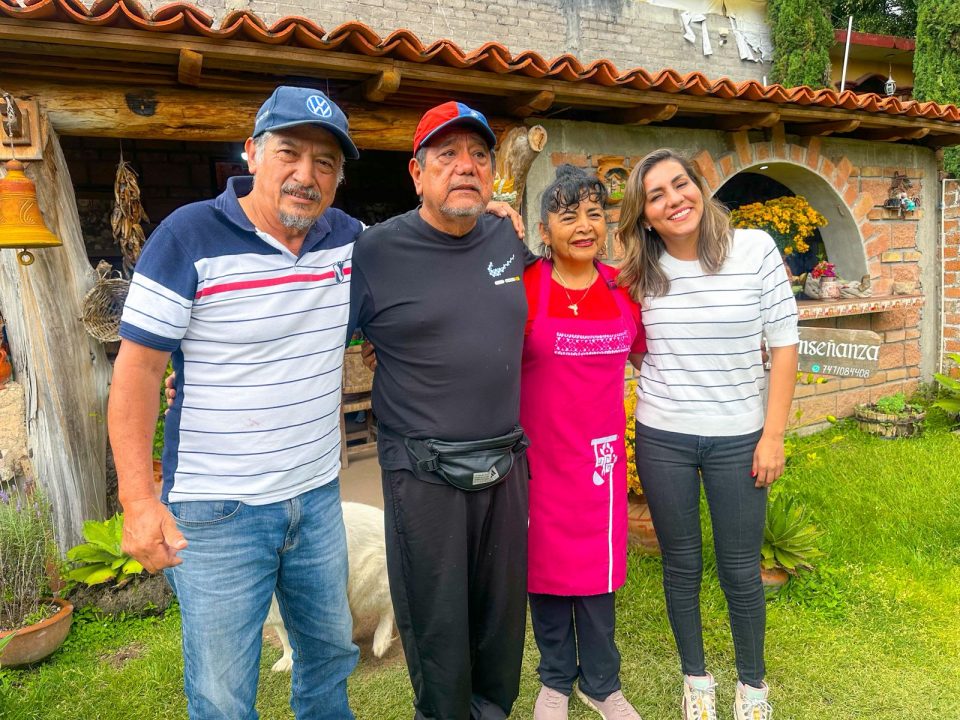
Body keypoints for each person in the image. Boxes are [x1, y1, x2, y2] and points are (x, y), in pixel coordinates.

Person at [109, 85, 364, 720]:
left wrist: (489, 214)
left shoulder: (350, 240)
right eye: (290, 153)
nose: (307, 175)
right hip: (216, 512)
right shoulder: (187, 236)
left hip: (316, 499)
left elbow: (426, 247)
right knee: (223, 693)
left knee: (330, 658)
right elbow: (138, 371)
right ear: (251, 152)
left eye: (326, 162)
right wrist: (139, 501)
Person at [347, 101, 532, 720]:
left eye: (478, 155)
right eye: (447, 154)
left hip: (505, 464)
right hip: (423, 476)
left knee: (501, 620)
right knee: (436, 621)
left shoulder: (508, 235)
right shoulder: (373, 254)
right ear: (416, 173)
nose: (466, 166)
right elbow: (313, 338)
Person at [616, 148, 799, 720]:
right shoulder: (638, 271)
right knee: (682, 565)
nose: (675, 200)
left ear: (700, 186)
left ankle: (753, 689)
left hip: (740, 438)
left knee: (740, 570)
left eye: (681, 184)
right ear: (644, 215)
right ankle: (696, 682)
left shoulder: (754, 250)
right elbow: (634, 344)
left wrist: (773, 435)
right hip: (663, 437)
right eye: (657, 195)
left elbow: (786, 343)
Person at [521, 165, 647, 720]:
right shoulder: (522, 288)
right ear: (543, 230)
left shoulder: (624, 290)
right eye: (567, 214)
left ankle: (602, 685)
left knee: (597, 581)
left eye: (594, 214)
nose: (583, 225)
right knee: (544, 577)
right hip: (537, 462)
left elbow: (652, 356)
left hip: (601, 465)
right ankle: (554, 681)